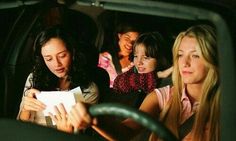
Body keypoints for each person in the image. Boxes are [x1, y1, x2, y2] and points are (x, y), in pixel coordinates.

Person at [67, 24, 220, 141]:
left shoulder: (225, 105)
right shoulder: (164, 96)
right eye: (180, 55)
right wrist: (96, 119)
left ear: (211, 59)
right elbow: (126, 130)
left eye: (195, 56)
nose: (184, 63)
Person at [17, 26, 99, 132]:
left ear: (73, 53)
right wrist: (25, 109)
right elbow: (20, 126)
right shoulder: (34, 78)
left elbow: (82, 132)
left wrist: (65, 133)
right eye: (49, 59)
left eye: (62, 56)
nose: (56, 64)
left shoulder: (88, 90)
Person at [112, 32, 172, 108]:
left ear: (160, 59)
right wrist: (157, 75)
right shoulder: (134, 72)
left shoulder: (167, 84)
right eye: (136, 56)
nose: (139, 62)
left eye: (146, 57)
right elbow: (118, 83)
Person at [98, 21, 141, 87]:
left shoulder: (138, 62)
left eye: (135, 41)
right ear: (120, 36)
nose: (130, 43)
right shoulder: (104, 59)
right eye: (127, 38)